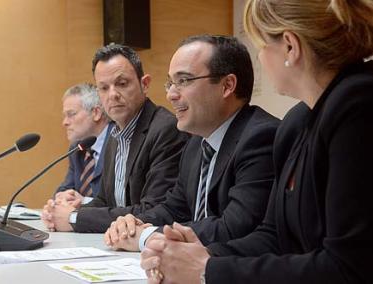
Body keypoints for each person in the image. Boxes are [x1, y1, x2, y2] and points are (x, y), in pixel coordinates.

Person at [141, 0, 373, 283]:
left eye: (262, 46)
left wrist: (206, 271)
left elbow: (349, 266)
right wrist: (198, 256)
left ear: (290, 46)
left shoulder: (358, 107)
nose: (260, 58)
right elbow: (273, 236)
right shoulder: (297, 121)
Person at [104, 35, 280, 252]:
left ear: (227, 85)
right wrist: (131, 224)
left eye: (184, 81)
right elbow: (173, 209)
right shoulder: (196, 143)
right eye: (170, 83)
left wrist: (147, 236)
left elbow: (235, 227)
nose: (171, 94)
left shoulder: (260, 138)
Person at [42, 44, 189, 233]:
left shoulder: (165, 130)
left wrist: (75, 218)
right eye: (103, 88)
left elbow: (153, 210)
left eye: (122, 84)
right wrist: (64, 212)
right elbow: (105, 201)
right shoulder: (114, 134)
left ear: (144, 84)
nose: (112, 95)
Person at [54, 83, 113, 205]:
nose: (65, 122)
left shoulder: (119, 143)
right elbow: (66, 188)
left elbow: (121, 203)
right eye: (64, 116)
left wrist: (84, 202)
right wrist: (60, 199)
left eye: (71, 114)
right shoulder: (77, 148)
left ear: (96, 113)